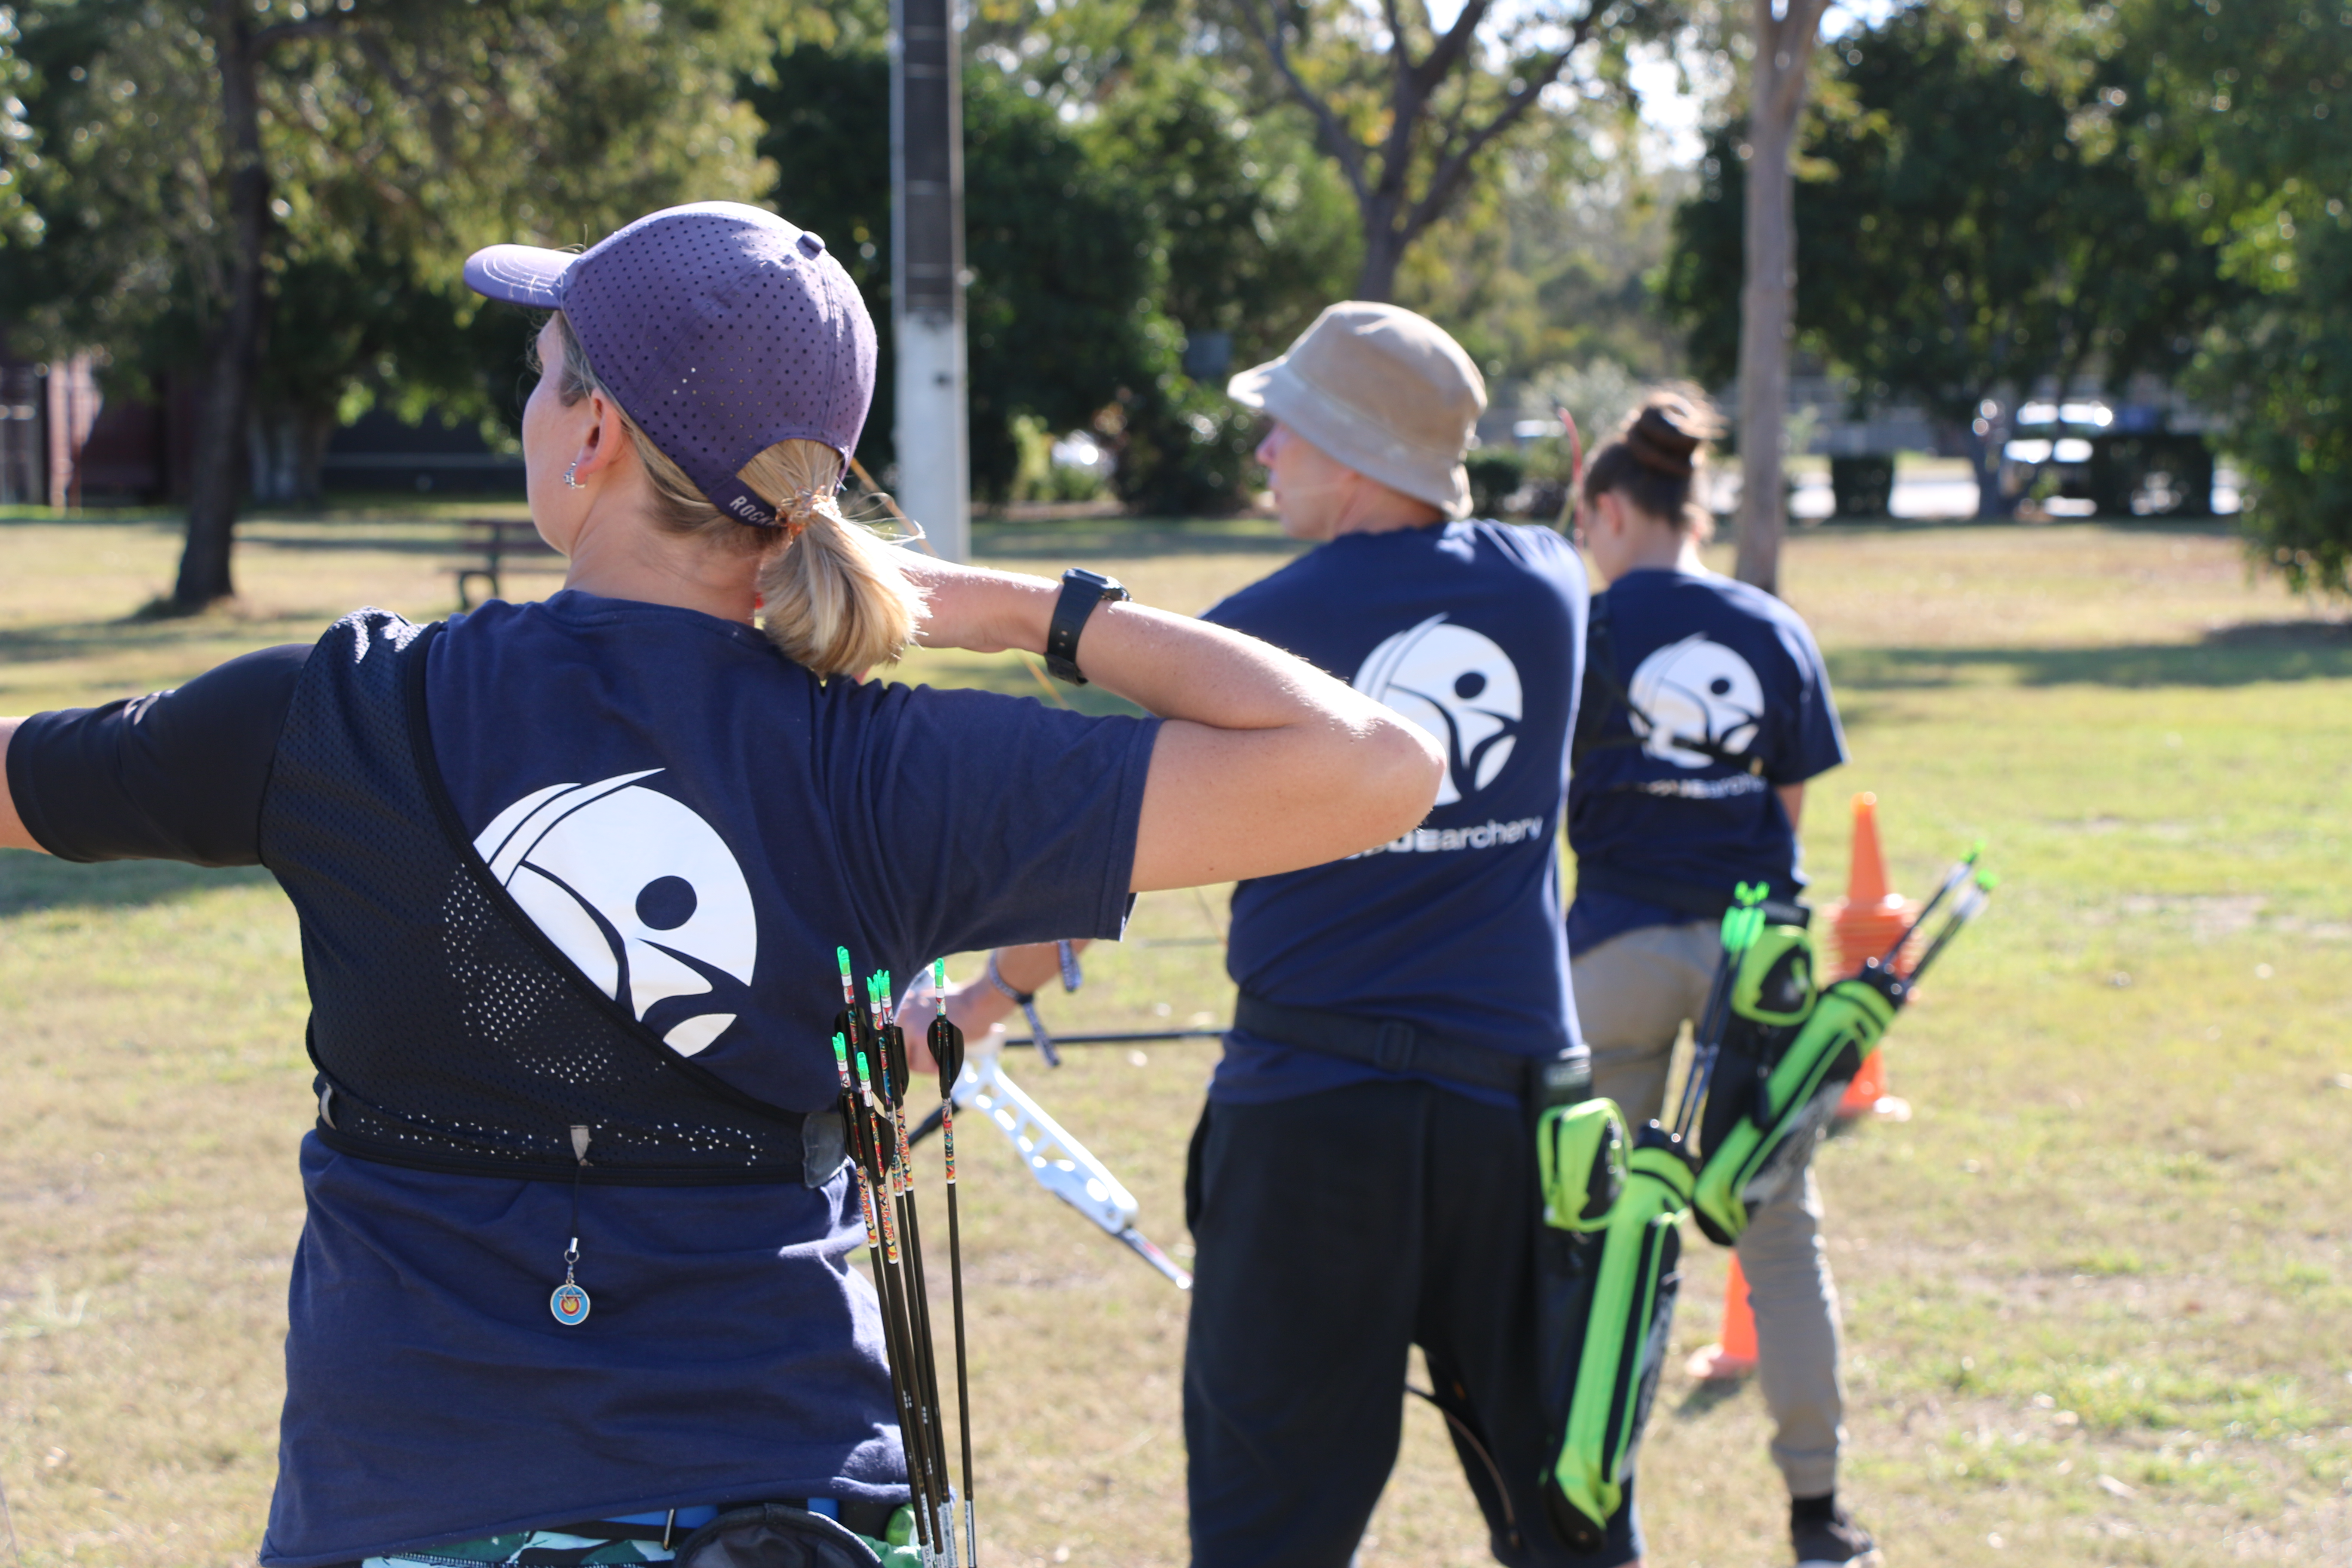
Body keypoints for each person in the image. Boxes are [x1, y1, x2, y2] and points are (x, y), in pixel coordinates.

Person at [0, 203, 1441, 1568]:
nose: (530, 405)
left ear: (598, 437)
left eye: (543, 375)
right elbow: (1373, 764)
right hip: (791, 1498)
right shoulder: (890, 769)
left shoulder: (345, 715)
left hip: (415, 1496)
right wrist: (1019, 611)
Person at [938, 301, 1625, 1568]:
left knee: (1270, 1543)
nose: (1261, 455)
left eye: (1284, 432)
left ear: (1355, 457)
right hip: (1512, 1132)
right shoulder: (1550, 583)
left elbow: (1108, 841)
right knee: (1572, 1529)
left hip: (1312, 1127)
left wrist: (984, 1000)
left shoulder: (1259, 631)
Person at [1563, 392, 1873, 1568]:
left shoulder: (1585, 629)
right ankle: (1818, 1516)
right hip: (1757, 959)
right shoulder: (1773, 626)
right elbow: (1784, 821)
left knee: (1598, 1223)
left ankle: (1590, 1486)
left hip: (1615, 950)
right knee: (1779, 1230)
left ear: (1608, 510)